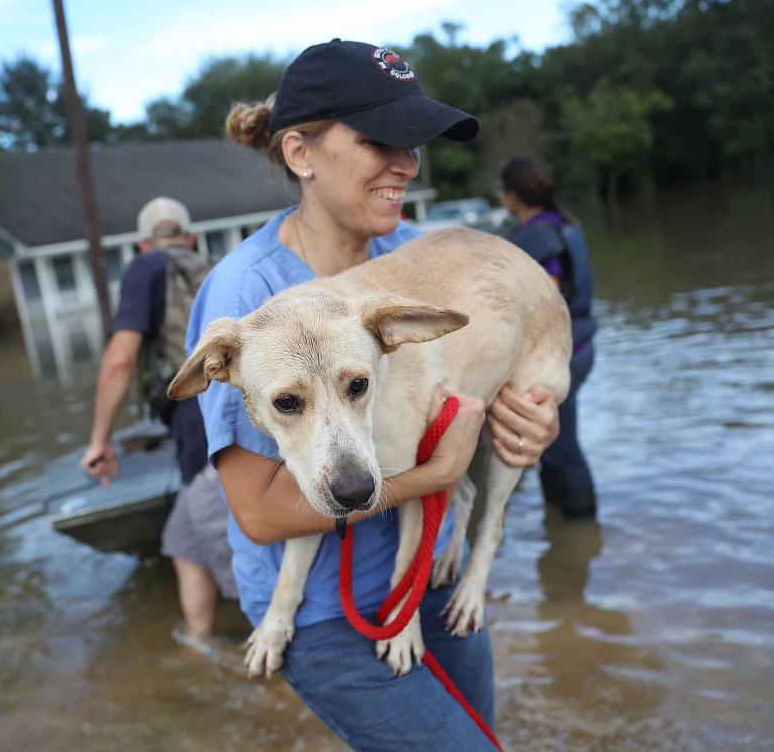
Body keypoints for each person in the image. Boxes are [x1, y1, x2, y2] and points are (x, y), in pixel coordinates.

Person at [185, 40, 561, 750]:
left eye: (412, 144)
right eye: (377, 141)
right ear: (300, 153)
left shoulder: (417, 254)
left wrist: (527, 425)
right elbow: (260, 514)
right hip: (324, 617)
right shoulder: (246, 296)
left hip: (431, 574)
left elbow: (488, 363)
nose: (406, 164)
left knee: (484, 736)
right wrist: (436, 475)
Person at [80, 196, 237, 642]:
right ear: (188, 237)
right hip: (236, 414)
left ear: (142, 244)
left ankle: (287, 657)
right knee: (182, 542)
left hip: (203, 427)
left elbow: (119, 361)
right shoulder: (217, 265)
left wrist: (99, 441)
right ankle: (199, 644)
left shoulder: (144, 268)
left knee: (239, 556)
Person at [498, 155, 598, 519]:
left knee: (560, 442)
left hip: (562, 354)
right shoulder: (566, 223)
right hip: (583, 344)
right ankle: (562, 535)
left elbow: (548, 293)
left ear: (512, 196)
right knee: (551, 439)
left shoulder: (536, 236)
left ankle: (580, 518)